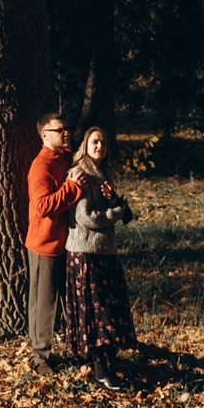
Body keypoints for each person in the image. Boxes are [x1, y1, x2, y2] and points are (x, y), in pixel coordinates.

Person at [63, 126, 140, 390]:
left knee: (109, 311)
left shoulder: (104, 173)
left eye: (104, 143)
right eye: (95, 142)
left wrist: (116, 204)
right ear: (85, 144)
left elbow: (118, 210)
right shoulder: (79, 174)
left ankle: (109, 364)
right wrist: (116, 211)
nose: (99, 147)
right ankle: (100, 371)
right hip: (85, 252)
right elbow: (87, 218)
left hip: (105, 251)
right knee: (96, 315)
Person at [24, 113, 77, 374]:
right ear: (45, 135)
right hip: (44, 244)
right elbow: (44, 206)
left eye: (67, 128)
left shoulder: (67, 158)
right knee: (43, 303)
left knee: (70, 300)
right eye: (60, 129)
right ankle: (39, 356)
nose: (66, 132)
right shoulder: (40, 166)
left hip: (71, 242)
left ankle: (76, 348)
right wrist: (72, 186)